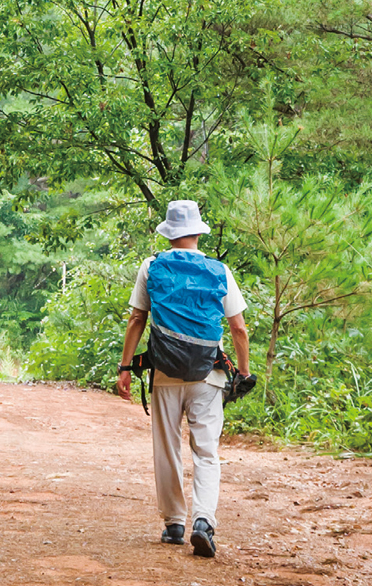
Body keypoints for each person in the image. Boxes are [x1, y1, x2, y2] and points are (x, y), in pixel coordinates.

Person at [115, 199, 250, 559]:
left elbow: (136, 319)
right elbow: (238, 328)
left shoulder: (151, 266)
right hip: (210, 374)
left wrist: (125, 367)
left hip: (165, 373)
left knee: (167, 446)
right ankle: (203, 521)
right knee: (206, 451)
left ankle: (174, 523)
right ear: (197, 231)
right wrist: (244, 373)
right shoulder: (219, 270)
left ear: (169, 233)